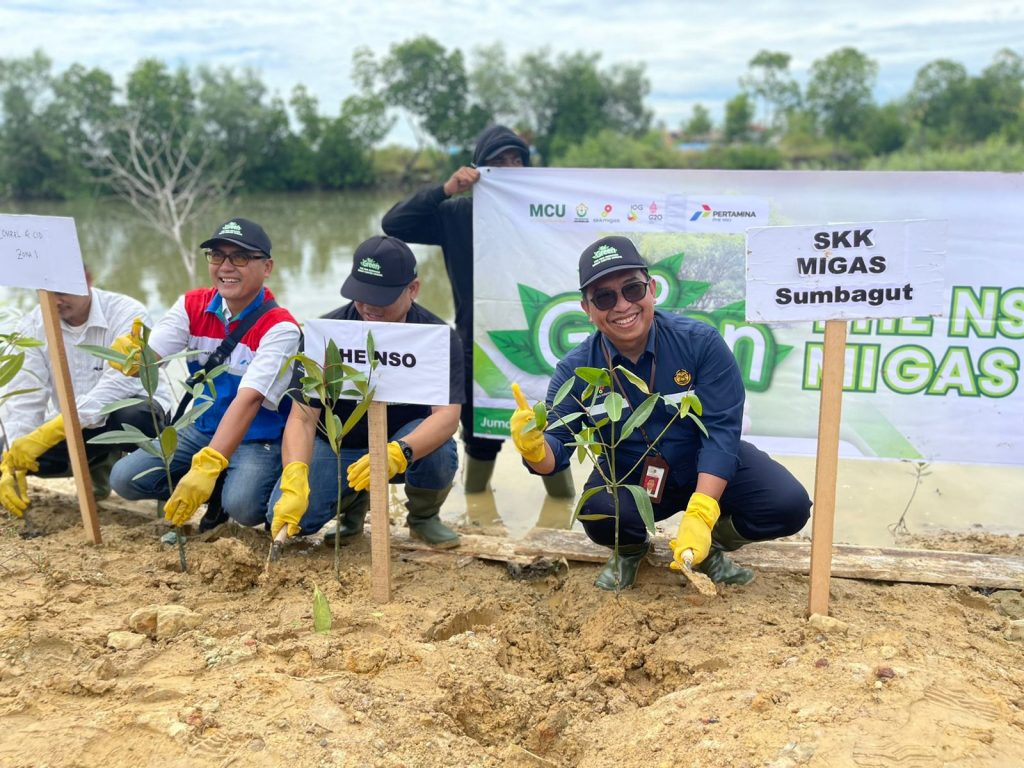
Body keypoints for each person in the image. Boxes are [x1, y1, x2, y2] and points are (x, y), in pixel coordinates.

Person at [509, 236, 811, 591]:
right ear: (587, 309)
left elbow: (721, 432)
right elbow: (556, 452)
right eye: (604, 298)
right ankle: (631, 551)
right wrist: (535, 448)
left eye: (632, 289)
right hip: (631, 475)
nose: (622, 306)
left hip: (704, 465)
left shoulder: (700, 343)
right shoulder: (576, 370)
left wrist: (701, 512)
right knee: (600, 512)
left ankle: (710, 546)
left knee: (787, 504)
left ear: (651, 289)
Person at [381, 124, 575, 498]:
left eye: (516, 160)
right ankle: (477, 513)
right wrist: (446, 189)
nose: (509, 167)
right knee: (480, 435)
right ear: (478, 170)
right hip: (479, 343)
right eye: (497, 161)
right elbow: (394, 224)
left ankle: (560, 509)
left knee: (547, 435)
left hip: (543, 345)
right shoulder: (456, 213)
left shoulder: (548, 216)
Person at [268, 235, 463, 548]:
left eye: (381, 296)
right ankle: (353, 506)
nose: (369, 305)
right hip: (340, 444)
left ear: (413, 289)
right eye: (361, 294)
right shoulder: (326, 334)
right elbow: (303, 418)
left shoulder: (436, 338)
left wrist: (400, 452)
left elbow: (448, 418)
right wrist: (294, 475)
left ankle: (423, 517)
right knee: (292, 521)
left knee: (440, 450)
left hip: (404, 443)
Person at [109, 218, 300, 531]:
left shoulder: (280, 328)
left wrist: (209, 464)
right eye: (217, 256)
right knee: (126, 479)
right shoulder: (190, 305)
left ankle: (226, 490)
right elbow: (150, 360)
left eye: (240, 257)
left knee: (244, 507)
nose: (226, 267)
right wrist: (132, 354)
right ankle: (213, 492)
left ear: (267, 267)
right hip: (202, 425)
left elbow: (250, 401)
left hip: (256, 435)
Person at [0, 273, 173, 517]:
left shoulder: (127, 313)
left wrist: (57, 428)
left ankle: (163, 487)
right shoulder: (31, 327)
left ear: (87, 280)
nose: (55, 301)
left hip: (124, 416)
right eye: (46, 293)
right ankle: (98, 468)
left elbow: (118, 388)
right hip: (77, 427)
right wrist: (15, 459)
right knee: (8, 450)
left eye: (61, 292)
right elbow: (24, 400)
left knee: (137, 415)